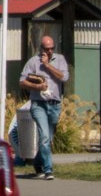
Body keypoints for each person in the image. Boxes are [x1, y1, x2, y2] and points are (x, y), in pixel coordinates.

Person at [18, 35, 68, 180]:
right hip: (38, 104)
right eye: (47, 49)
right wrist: (37, 86)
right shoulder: (33, 62)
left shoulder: (60, 60)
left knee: (48, 139)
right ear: (42, 49)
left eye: (52, 48)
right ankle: (48, 170)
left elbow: (64, 77)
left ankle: (38, 163)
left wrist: (47, 65)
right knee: (44, 137)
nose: (50, 51)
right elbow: (22, 81)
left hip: (54, 104)